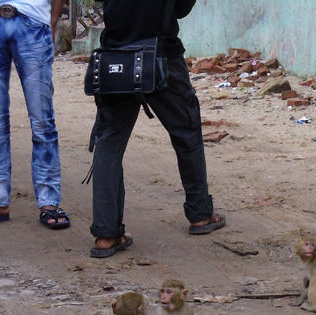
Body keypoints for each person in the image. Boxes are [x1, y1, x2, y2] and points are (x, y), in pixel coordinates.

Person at [88, 0, 224, 258]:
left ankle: (106, 234)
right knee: (186, 133)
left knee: (109, 144)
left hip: (117, 58)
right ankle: (200, 215)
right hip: (161, 57)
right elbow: (181, 8)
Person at [0, 0, 70, 230]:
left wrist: (52, 21)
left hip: (32, 21)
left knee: (42, 120)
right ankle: (0, 200)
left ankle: (48, 202)